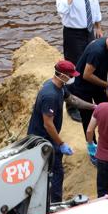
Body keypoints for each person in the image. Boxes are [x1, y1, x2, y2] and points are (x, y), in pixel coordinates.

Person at [27, 60, 95, 203]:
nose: (72, 78)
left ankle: (44, 198)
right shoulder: (50, 95)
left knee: (48, 171)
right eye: (71, 75)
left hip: (47, 138)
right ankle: (54, 203)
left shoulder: (60, 87)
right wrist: (61, 144)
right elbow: (48, 124)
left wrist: (93, 107)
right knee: (56, 171)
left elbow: (72, 100)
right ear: (63, 75)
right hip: (42, 140)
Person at [56, 0, 103, 122]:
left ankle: (87, 95)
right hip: (73, 33)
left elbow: (95, 6)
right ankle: (71, 104)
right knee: (73, 67)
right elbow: (62, 9)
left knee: (90, 62)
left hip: (88, 30)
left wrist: (98, 26)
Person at [70, 28, 108, 142]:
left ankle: (107, 138)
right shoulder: (96, 51)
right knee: (87, 117)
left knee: (107, 111)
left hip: (99, 84)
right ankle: (91, 144)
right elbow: (87, 75)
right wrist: (107, 85)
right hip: (83, 86)